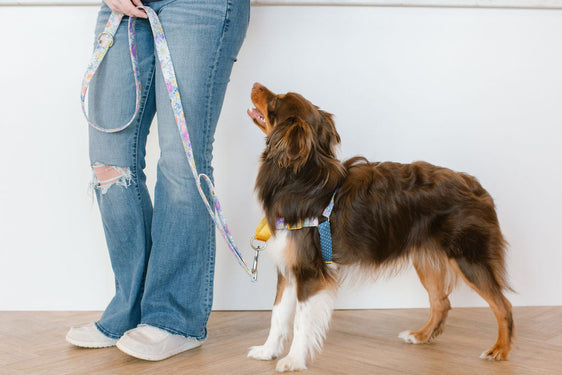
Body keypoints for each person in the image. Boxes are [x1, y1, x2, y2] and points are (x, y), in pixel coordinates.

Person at [66, 0, 250, 361]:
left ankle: (174, 318)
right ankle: (131, 310)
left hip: (201, 6)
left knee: (182, 164)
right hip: (121, 6)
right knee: (109, 164)